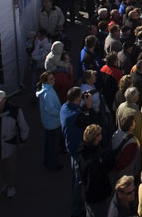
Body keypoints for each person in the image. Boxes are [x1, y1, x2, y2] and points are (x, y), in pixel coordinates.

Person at [62, 86, 98, 217]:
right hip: (78, 150)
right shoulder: (76, 116)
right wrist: (89, 106)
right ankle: (76, 210)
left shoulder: (65, 108)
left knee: (74, 177)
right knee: (79, 182)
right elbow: (93, 123)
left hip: (71, 147)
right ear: (78, 98)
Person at [79, 124, 115, 217]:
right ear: (96, 138)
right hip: (97, 198)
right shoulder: (93, 162)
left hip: (88, 195)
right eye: (99, 134)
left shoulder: (83, 152)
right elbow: (95, 181)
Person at [37, 71, 63, 171]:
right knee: (53, 146)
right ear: (46, 81)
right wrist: (60, 112)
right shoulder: (48, 93)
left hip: (49, 122)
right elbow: (51, 110)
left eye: (53, 78)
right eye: (51, 79)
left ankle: (48, 162)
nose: (54, 80)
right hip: (53, 122)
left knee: (49, 144)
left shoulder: (46, 90)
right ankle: (53, 165)